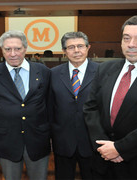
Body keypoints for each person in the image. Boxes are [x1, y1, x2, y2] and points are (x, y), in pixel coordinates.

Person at [83, 15, 137, 179]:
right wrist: (105, 147)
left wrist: (121, 149)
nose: (131, 44)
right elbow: (91, 108)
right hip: (103, 162)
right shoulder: (105, 68)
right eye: (126, 38)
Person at [0, 30, 51, 180]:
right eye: (8, 49)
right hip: (7, 139)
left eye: (18, 49)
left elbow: (49, 103)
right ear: (2, 50)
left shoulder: (44, 72)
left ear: (25, 49)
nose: (13, 53)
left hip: (37, 138)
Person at [49, 31, 98, 179]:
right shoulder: (53, 74)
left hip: (92, 141)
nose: (76, 50)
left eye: (80, 46)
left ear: (88, 47)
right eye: (70, 47)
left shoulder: (102, 72)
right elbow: (50, 107)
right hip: (63, 141)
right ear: (64, 51)